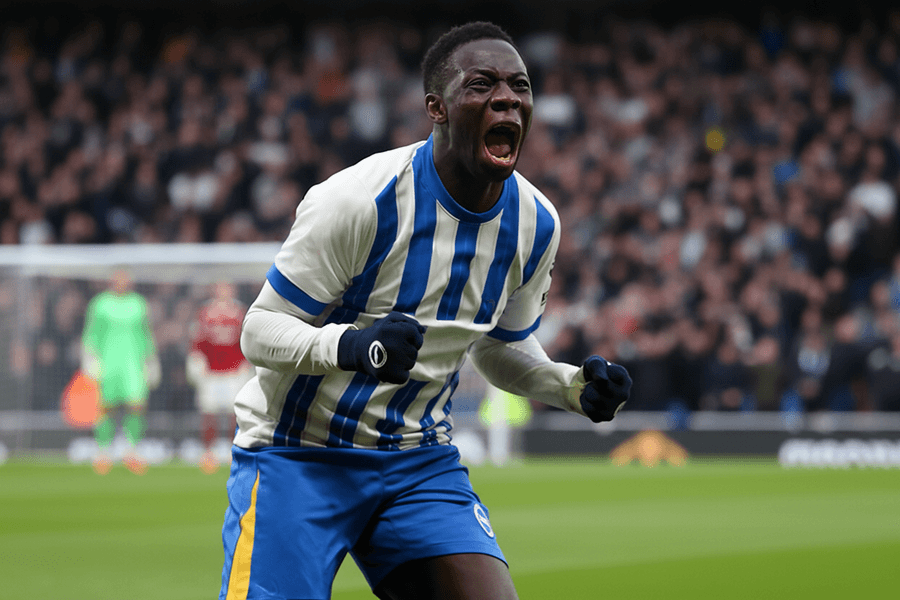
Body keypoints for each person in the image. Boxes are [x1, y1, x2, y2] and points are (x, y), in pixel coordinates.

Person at [219, 21, 632, 600]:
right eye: (482, 84)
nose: (507, 98)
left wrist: (569, 387)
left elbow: (500, 348)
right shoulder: (358, 200)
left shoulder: (537, 223)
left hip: (418, 463)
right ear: (436, 107)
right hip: (298, 455)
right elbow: (259, 330)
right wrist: (353, 346)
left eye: (519, 86)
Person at [81, 268, 160, 475]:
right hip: (108, 363)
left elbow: (146, 334)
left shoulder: (139, 304)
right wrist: (90, 360)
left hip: (133, 364)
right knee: (106, 408)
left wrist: (151, 360)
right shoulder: (100, 304)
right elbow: (91, 334)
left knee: (136, 406)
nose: (121, 282)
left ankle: (131, 451)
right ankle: (103, 452)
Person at [186, 281, 253, 473]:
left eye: (227, 289)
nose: (223, 292)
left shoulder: (241, 312)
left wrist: (246, 362)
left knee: (235, 414)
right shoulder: (204, 312)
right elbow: (197, 339)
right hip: (211, 372)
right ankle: (208, 453)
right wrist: (196, 359)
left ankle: (235, 451)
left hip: (234, 370)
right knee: (208, 413)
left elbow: (248, 339)